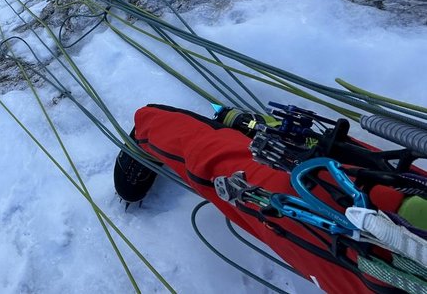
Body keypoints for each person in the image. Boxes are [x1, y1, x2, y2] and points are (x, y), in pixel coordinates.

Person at [115, 104, 426, 293]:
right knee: (230, 170)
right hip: (389, 236)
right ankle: (149, 127)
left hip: (389, 261)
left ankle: (269, 133)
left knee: (349, 167)